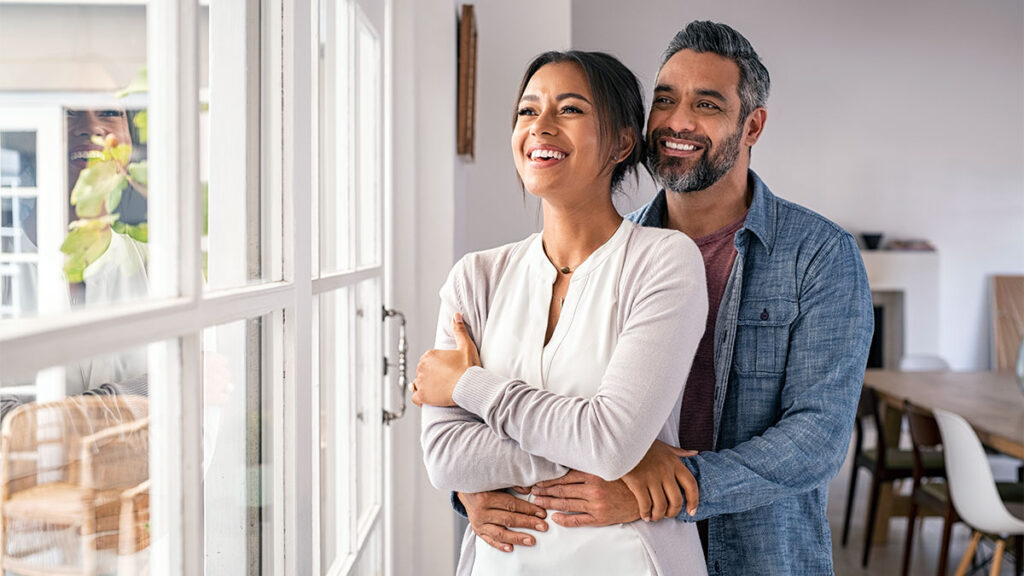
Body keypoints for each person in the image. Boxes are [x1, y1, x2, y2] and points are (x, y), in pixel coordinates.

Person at [457, 21, 874, 576]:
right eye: (664, 100)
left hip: (759, 555)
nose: (678, 122)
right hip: (618, 551)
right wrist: (474, 487)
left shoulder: (817, 254)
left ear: (753, 125)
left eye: (706, 104)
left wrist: (666, 488)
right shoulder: (608, 251)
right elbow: (549, 402)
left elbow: (816, 438)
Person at [413, 50, 709, 575]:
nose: (540, 127)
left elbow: (610, 439)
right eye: (528, 112)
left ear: (621, 142)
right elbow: (445, 458)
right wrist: (618, 452)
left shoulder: (664, 262)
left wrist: (468, 386)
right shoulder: (475, 278)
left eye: (569, 110)